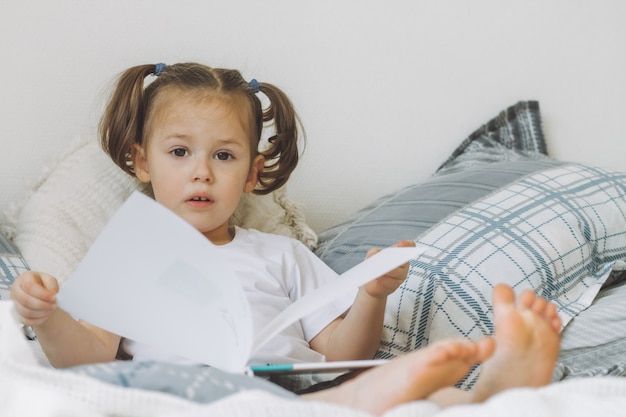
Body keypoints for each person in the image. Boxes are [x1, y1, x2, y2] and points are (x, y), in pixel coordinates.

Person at [10, 62, 561, 414]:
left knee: (394, 396)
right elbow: (84, 364)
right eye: (179, 152)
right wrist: (48, 316)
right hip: (174, 391)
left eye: (223, 156)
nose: (201, 172)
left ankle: (486, 397)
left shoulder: (281, 253)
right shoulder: (129, 258)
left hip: (290, 392)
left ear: (252, 174)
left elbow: (343, 353)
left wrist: (372, 295)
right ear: (142, 163)